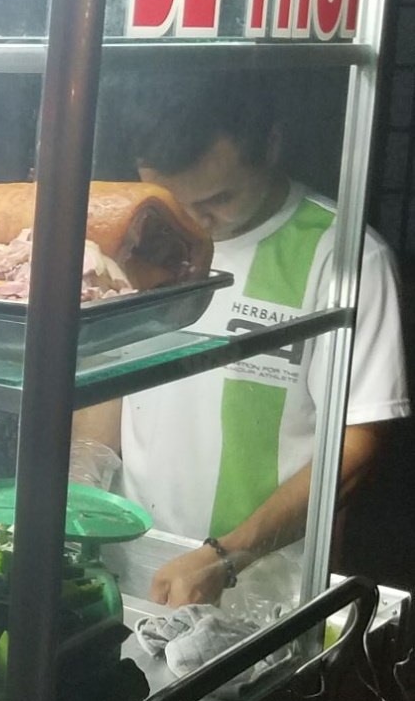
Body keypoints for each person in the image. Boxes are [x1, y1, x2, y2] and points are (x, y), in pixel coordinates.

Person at [75, 69, 407, 608]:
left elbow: (357, 445)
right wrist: (80, 488)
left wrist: (227, 555)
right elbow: (111, 378)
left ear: (271, 146)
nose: (194, 221)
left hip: (262, 586)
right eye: (173, 200)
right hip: (132, 562)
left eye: (218, 197)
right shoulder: (140, 241)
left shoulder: (346, 258)